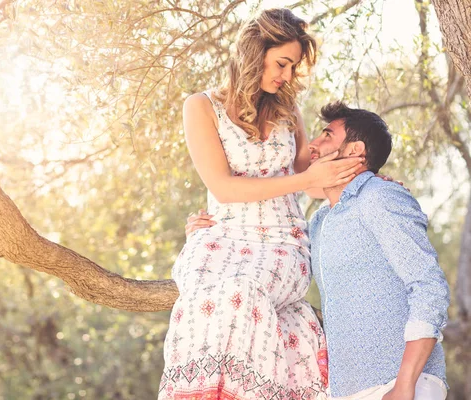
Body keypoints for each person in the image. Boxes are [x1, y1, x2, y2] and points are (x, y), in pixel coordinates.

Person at [158, 8, 364, 400]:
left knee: (243, 292)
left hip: (282, 243)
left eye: (292, 67)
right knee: (202, 296)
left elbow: (317, 178)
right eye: (282, 63)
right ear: (255, 51)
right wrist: (306, 180)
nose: (286, 76)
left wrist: (366, 178)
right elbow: (223, 188)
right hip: (222, 235)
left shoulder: (288, 111)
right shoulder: (201, 107)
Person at [186, 102, 450, 400]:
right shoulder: (320, 221)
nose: (312, 144)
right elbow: (273, 255)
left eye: (327, 135)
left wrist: (405, 384)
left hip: (401, 384)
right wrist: (211, 234)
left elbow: (429, 287)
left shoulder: (378, 196)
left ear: (355, 150)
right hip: (346, 390)